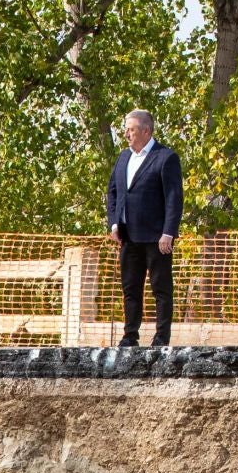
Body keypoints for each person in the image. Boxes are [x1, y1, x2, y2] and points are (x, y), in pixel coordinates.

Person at [104, 109, 184, 347]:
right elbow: (114, 192)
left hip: (157, 238)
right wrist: (114, 223)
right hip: (128, 237)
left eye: (131, 129)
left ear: (146, 131)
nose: (126, 134)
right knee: (130, 289)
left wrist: (168, 232)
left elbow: (174, 198)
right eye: (126, 129)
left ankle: (161, 337)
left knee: (161, 289)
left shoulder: (165, 157)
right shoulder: (123, 158)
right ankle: (130, 336)